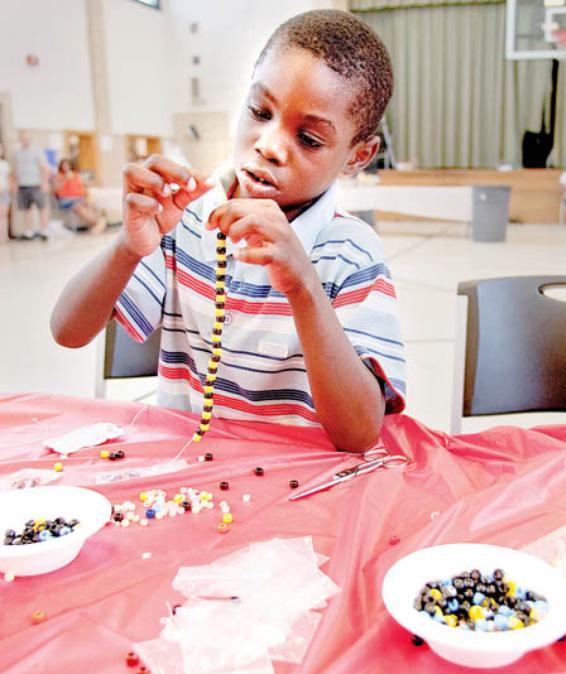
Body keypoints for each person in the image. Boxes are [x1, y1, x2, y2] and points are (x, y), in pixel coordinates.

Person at [51, 10, 405, 452]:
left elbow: (358, 434)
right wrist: (127, 246)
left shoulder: (351, 252)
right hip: (191, 476)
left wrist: (304, 287)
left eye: (309, 139)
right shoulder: (184, 218)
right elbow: (67, 331)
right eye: (260, 111)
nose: (270, 145)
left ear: (358, 155)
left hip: (298, 487)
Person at [53, 159, 107, 234]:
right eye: (64, 165)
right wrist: (65, 179)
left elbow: (81, 186)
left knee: (90, 204)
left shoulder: (75, 175)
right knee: (78, 206)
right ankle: (96, 222)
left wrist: (85, 192)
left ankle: (95, 223)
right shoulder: (59, 176)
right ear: (61, 166)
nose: (66, 167)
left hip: (78, 198)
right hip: (66, 200)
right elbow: (56, 190)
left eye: (67, 165)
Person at [13, 130, 50, 240]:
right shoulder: (17, 153)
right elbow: (15, 170)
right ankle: (29, 232)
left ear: (30, 139)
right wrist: (15, 183)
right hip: (22, 185)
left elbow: (44, 168)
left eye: (27, 138)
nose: (25, 140)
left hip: (36, 184)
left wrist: (45, 182)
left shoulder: (36, 151)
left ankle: (44, 231)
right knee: (26, 209)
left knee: (42, 208)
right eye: (23, 138)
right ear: (20, 139)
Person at [0, 143, 12, 244]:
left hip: (4, 192)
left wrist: (7, 188)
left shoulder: (5, 164)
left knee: (4, 216)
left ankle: (4, 237)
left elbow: (9, 178)